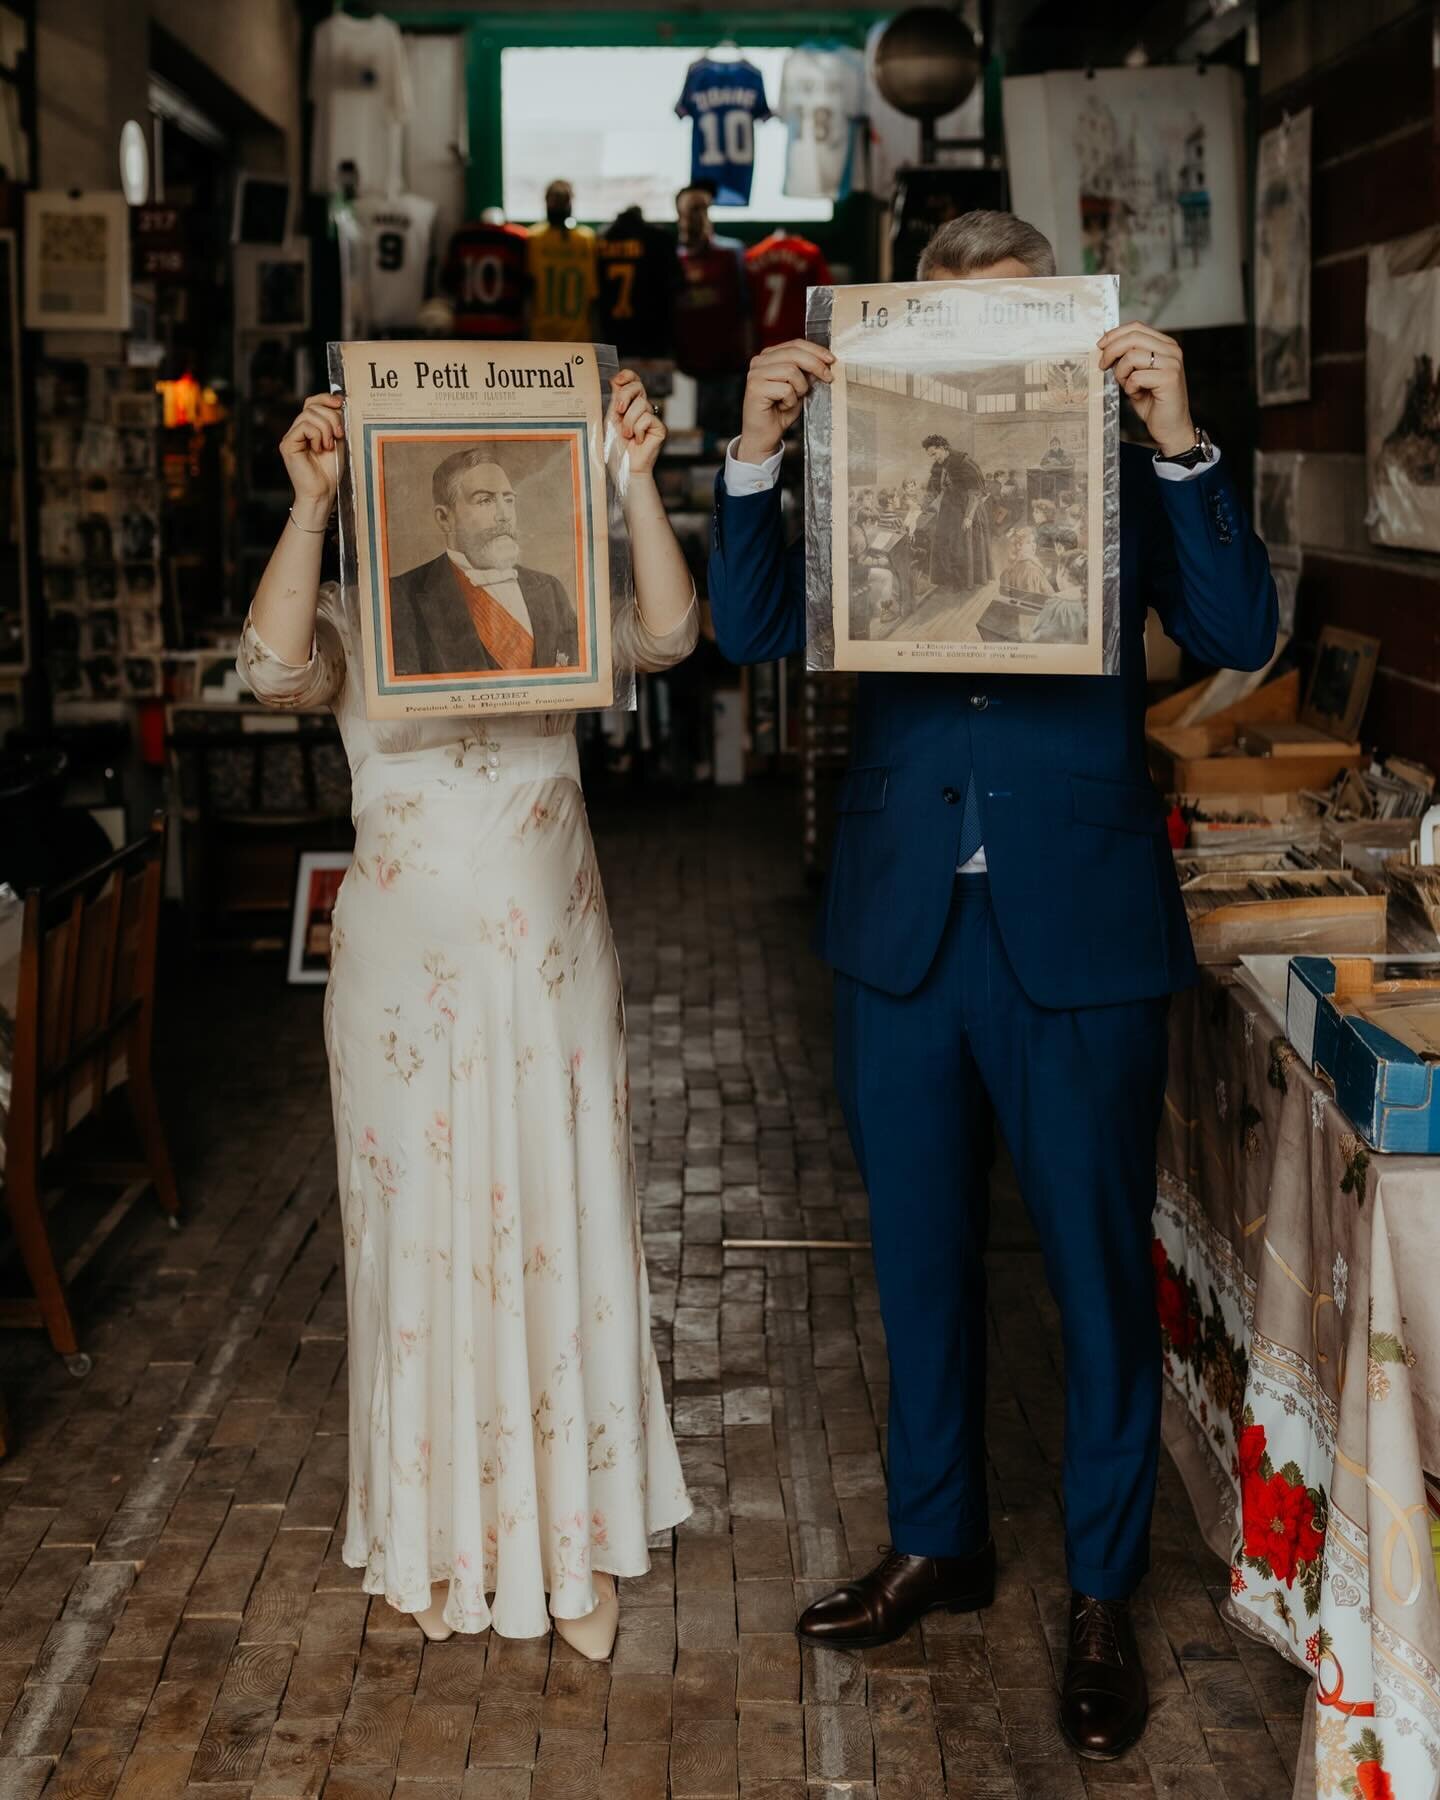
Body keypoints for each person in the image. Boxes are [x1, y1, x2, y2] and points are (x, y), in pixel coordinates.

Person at [706, 208, 1277, 1760]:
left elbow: (1239, 631)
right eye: (949, 326)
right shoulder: (852, 444)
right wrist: (756, 453)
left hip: (1078, 919)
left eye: (1010, 326)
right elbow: (751, 630)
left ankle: (1102, 1596)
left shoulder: (1119, 458)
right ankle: (940, 1543)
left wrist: (1179, 441)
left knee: (1096, 1276)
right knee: (917, 1260)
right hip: (900, 922)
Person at [239, 371, 697, 1660]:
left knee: (563, 1211)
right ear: (437, 510)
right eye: (480, 492)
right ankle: (439, 1536)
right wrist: (314, 504)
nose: (501, 507)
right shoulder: (364, 612)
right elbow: (271, 669)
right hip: (406, 979)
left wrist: (632, 483)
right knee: (426, 1228)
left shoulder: (558, 598)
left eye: (512, 488)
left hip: (550, 957)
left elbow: (666, 639)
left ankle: (574, 1542)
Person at [387, 451, 580, 676]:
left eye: (508, 500)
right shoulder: (401, 596)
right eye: (485, 501)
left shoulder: (550, 590)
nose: (504, 515)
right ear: (444, 518)